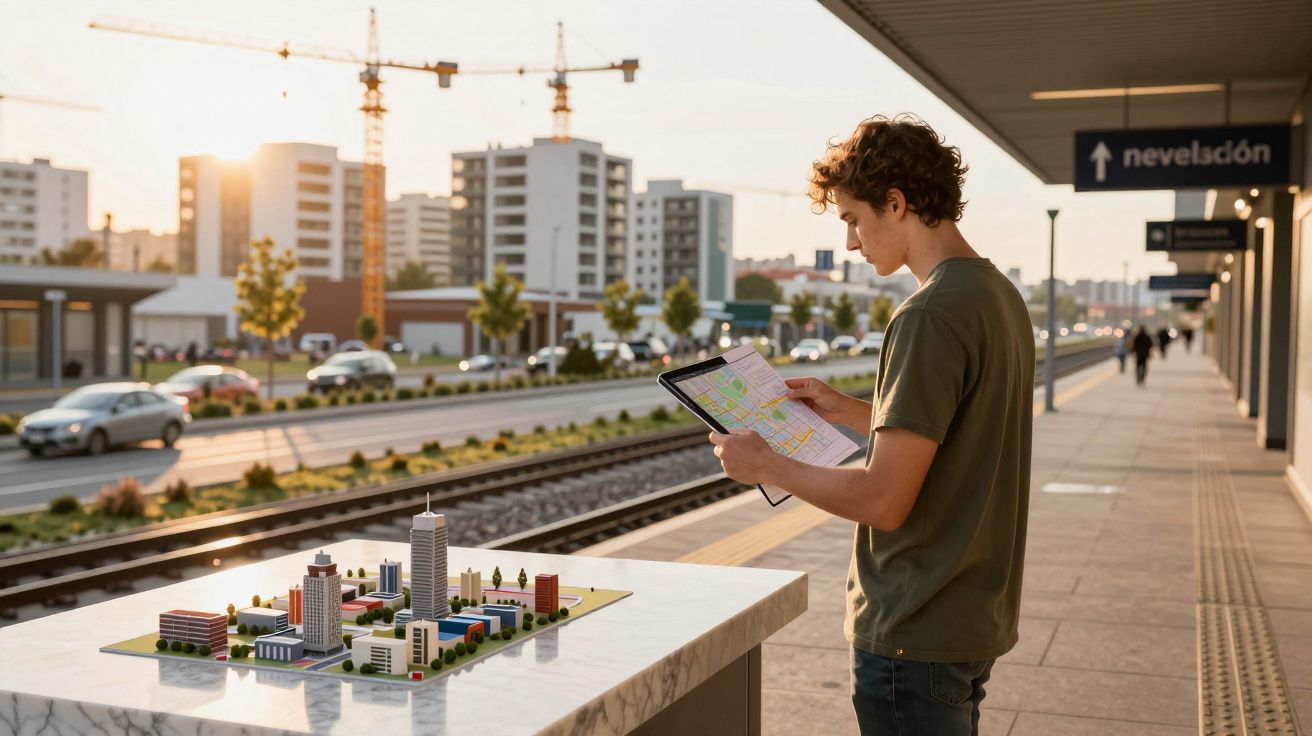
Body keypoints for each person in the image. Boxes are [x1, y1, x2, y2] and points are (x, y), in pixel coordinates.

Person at [708, 114, 1033, 735]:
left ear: (896, 202)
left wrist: (767, 464)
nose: (852, 243)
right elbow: (959, 435)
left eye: (854, 220)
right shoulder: (998, 296)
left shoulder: (928, 314)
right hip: (970, 616)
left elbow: (885, 500)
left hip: (914, 624)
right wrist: (851, 410)